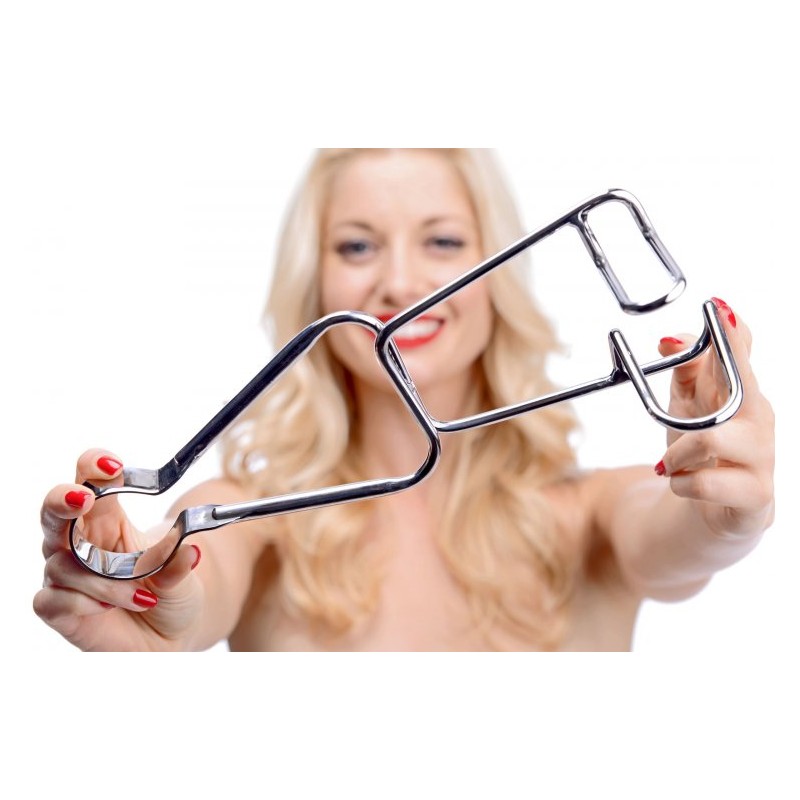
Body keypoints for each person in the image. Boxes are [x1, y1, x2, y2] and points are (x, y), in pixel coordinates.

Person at [34, 149, 776, 651]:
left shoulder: (591, 514)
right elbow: (199, 576)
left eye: (443, 242)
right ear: (314, 282)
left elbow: (674, 534)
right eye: (357, 246)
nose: (399, 282)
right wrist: (153, 598)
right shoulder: (255, 520)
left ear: (497, 274)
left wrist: (721, 514)